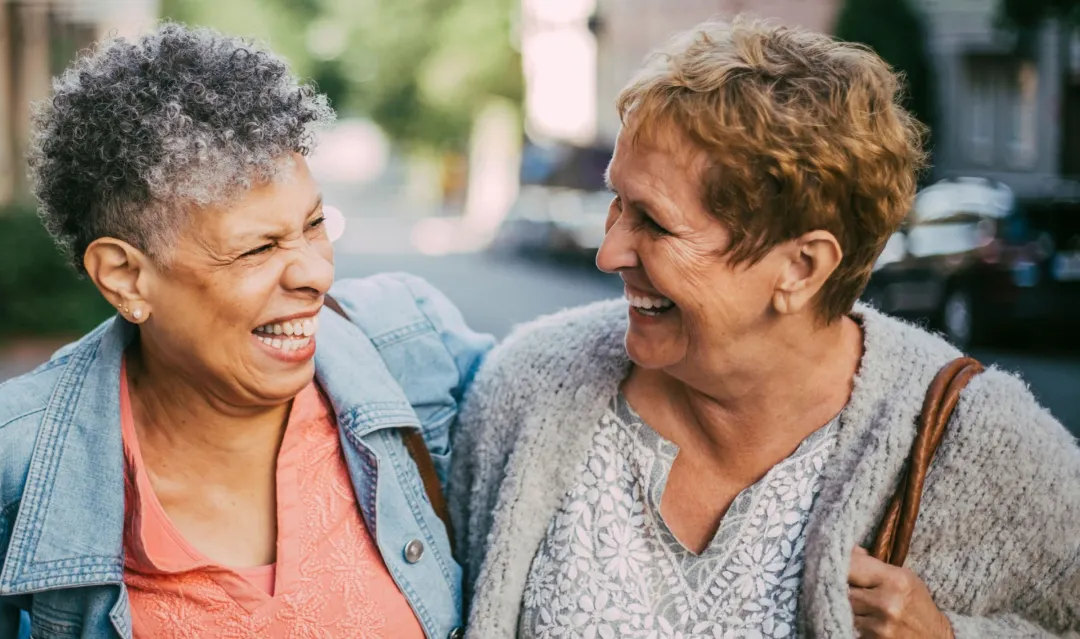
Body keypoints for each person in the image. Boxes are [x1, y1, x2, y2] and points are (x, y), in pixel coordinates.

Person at [449, 16, 1080, 639]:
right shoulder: (531, 390)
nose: (608, 252)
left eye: (656, 223)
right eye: (618, 203)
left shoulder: (975, 438)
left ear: (801, 267)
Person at [0, 24, 490, 638]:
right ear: (125, 278)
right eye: (258, 248)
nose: (316, 273)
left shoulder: (410, 341)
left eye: (312, 224)